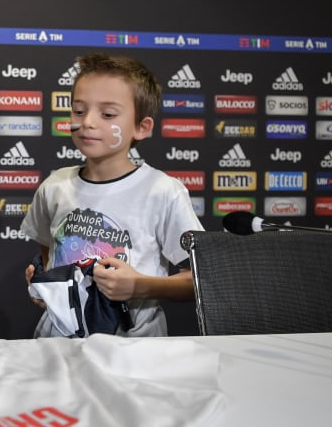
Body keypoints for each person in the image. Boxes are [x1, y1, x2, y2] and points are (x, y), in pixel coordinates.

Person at [20, 53, 203, 338]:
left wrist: (140, 286)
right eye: (79, 111)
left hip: (136, 355)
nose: (88, 122)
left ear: (141, 127)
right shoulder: (54, 186)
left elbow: (201, 279)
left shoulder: (163, 192)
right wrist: (48, 284)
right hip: (57, 348)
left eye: (107, 114)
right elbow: (48, 254)